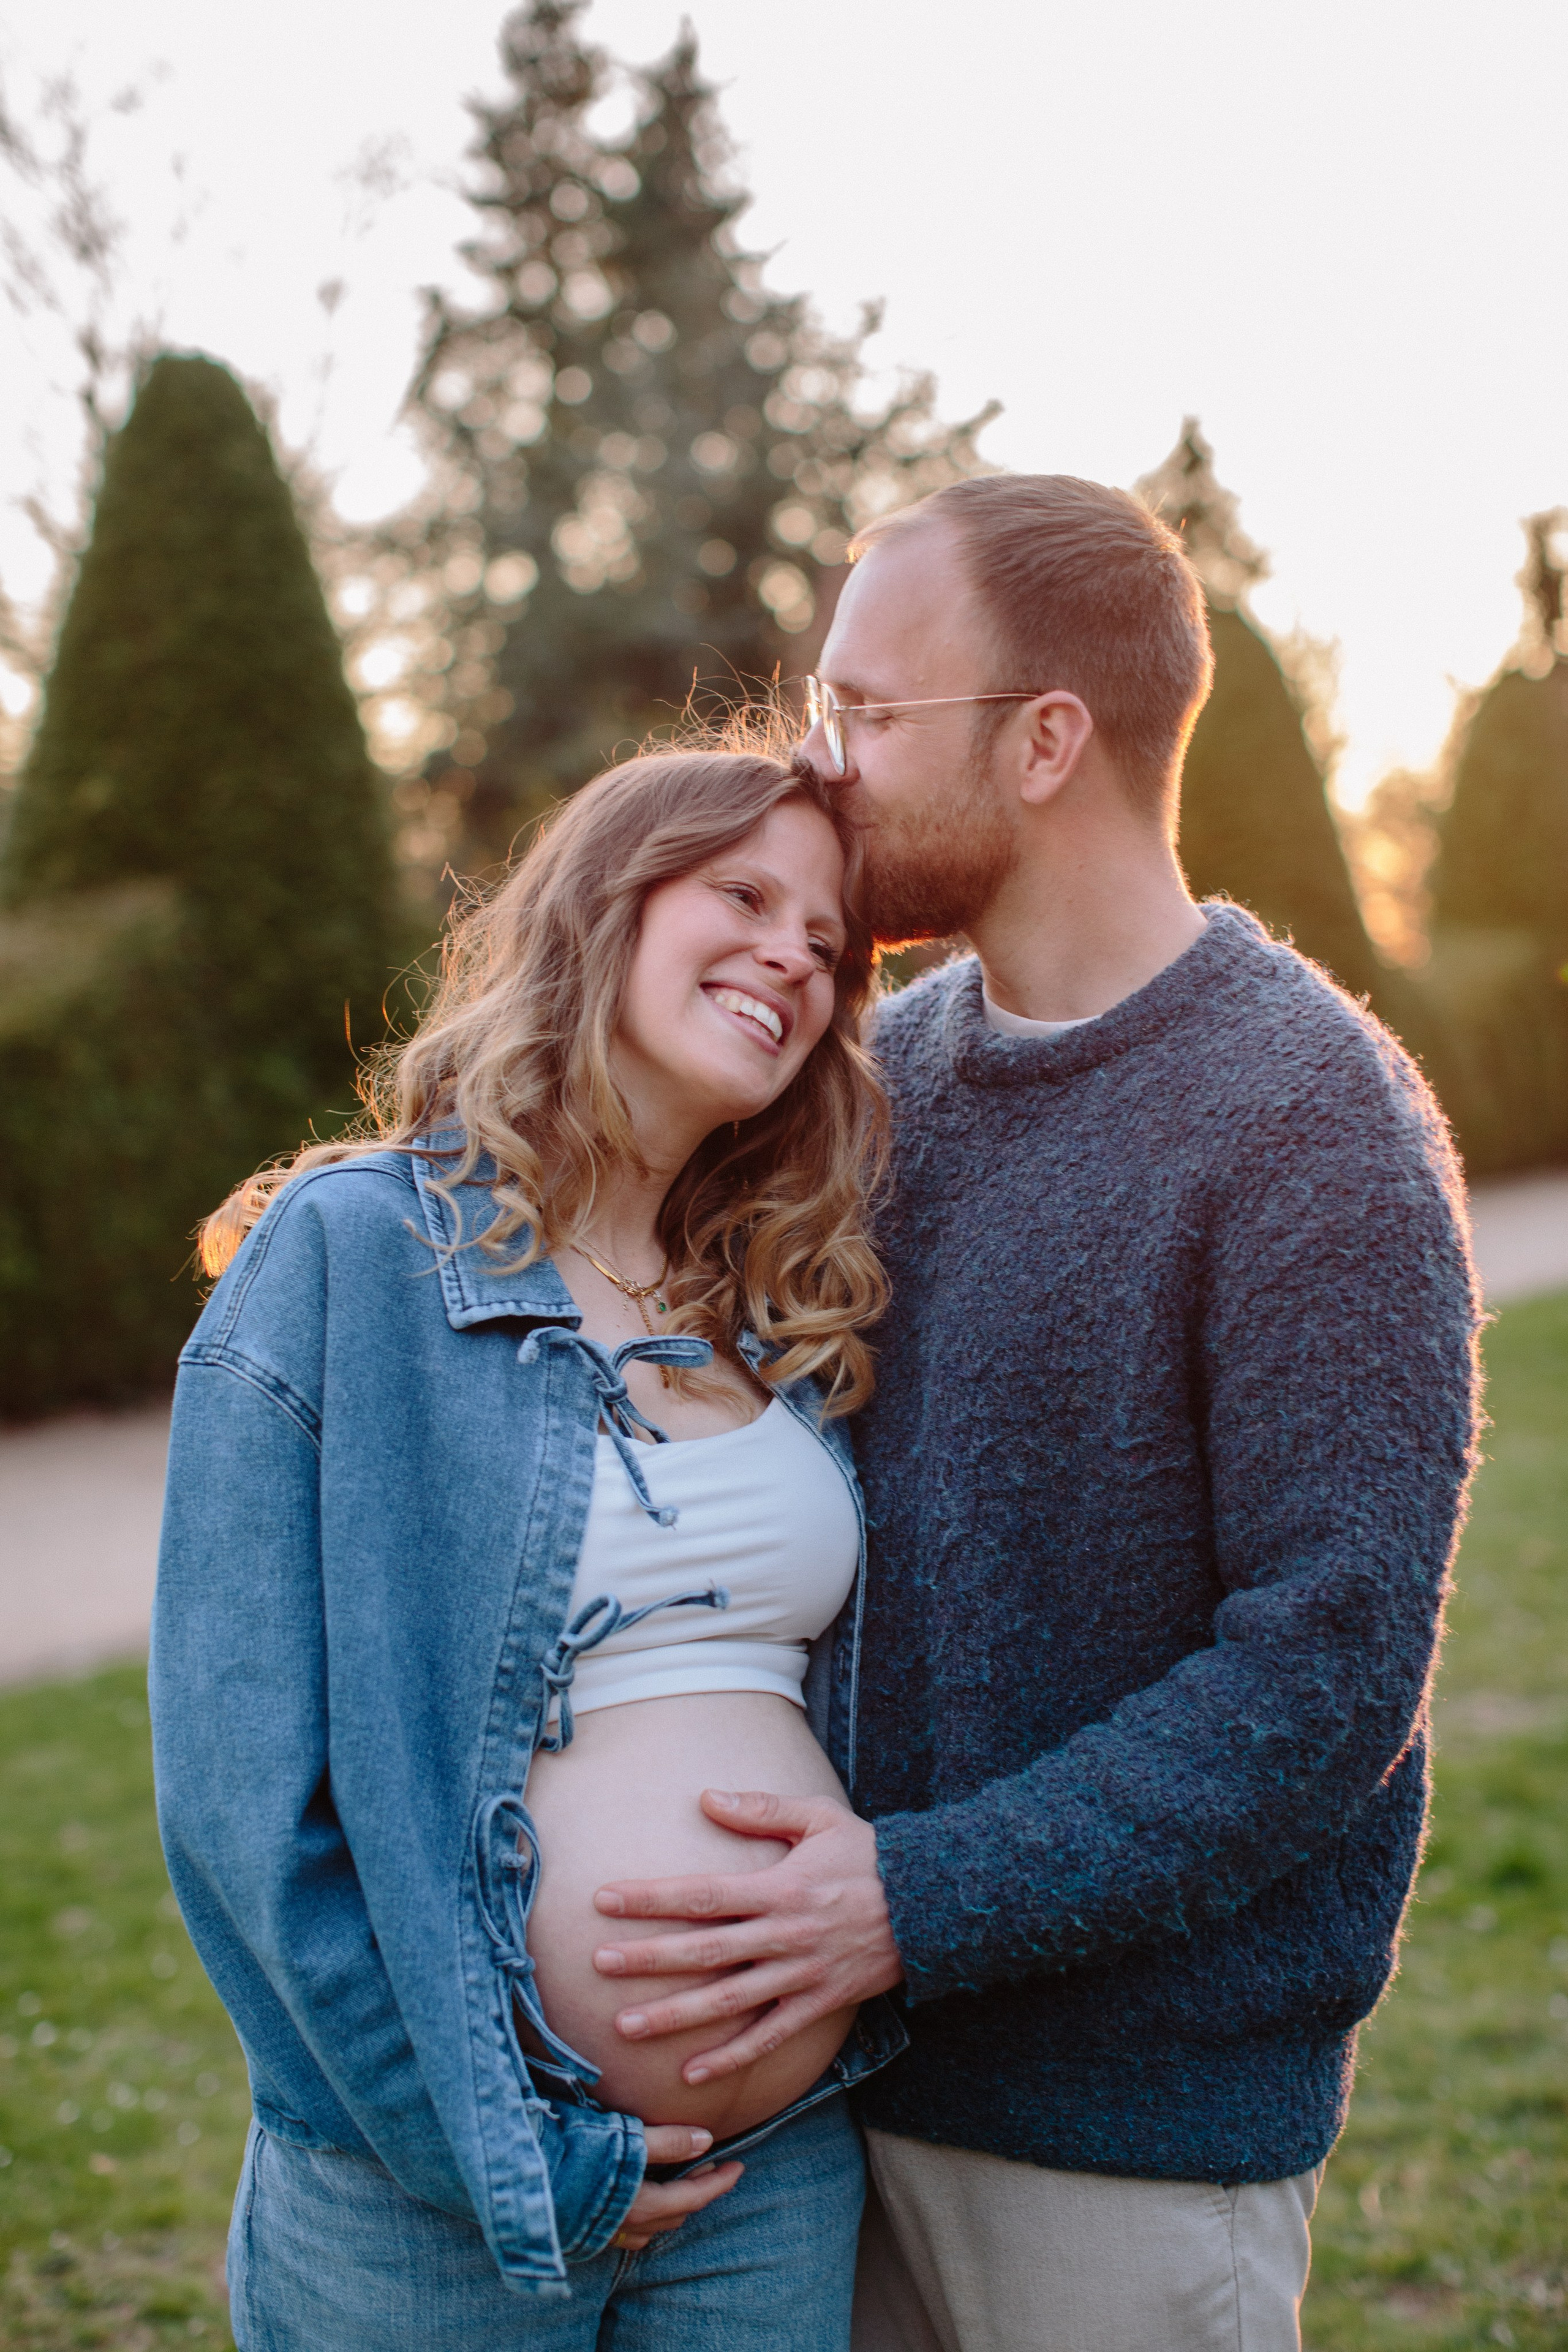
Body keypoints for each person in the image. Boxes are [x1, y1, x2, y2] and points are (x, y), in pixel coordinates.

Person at [578, 477, 1480, 2352]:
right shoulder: (875, 1081)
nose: (820, 772)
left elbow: (1327, 1676)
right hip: (821, 2114)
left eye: (866, 715)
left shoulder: (1312, 1121)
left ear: (1049, 739)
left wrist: (914, 1898)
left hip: (1120, 2159)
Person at [149, 747, 905, 2351]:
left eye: (828, 943)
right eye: (746, 895)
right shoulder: (353, 1254)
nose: (793, 951)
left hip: (773, 2179)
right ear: (607, 904)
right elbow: (240, 1795)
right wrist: (500, 2151)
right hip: (435, 2206)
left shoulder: (785, 1313)